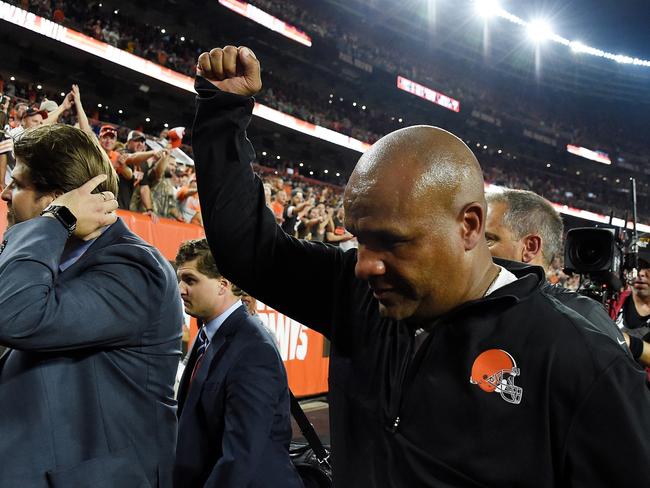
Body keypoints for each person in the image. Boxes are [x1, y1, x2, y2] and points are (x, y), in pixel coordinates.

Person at [191, 45, 650, 487]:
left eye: (391, 242)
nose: (365, 265)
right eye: (360, 239)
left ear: (470, 226)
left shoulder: (579, 359)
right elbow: (246, 249)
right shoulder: (358, 295)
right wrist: (222, 113)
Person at [0, 124, 182, 487]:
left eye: (18, 184)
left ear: (59, 199)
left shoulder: (135, 268)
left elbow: (15, 316)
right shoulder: (51, 257)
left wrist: (57, 222)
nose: (5, 193)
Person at [174, 239, 302, 488]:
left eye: (190, 280)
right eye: (180, 279)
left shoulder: (253, 349)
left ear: (223, 285)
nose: (180, 289)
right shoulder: (207, 334)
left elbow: (240, 455)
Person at [485, 188, 628, 351]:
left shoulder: (584, 315)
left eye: (488, 239)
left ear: (530, 247)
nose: (472, 246)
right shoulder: (474, 301)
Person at [612, 237, 650, 367]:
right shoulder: (611, 301)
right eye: (637, 265)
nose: (641, 274)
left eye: (649, 268)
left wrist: (632, 344)